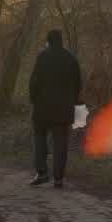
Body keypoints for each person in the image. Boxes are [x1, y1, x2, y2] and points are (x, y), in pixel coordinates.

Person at [28, 29, 82, 188]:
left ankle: (42, 173)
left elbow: (34, 82)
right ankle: (58, 178)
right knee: (60, 143)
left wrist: (33, 99)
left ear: (48, 41)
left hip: (42, 108)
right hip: (63, 108)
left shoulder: (42, 57)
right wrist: (72, 100)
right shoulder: (71, 58)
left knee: (39, 140)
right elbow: (78, 83)